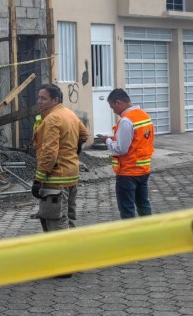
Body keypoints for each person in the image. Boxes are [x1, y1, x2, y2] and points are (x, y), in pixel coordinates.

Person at [31, 83, 89, 235]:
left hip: (55, 179)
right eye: (39, 98)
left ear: (55, 100)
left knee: (55, 222)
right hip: (71, 175)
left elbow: (49, 153)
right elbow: (84, 134)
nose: (39, 101)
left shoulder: (52, 119)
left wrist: (38, 179)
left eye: (44, 98)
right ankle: (72, 253)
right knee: (66, 219)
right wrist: (72, 152)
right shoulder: (69, 113)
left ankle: (65, 256)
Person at [98, 88, 154, 219]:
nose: (113, 111)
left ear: (118, 103)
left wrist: (108, 141)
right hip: (143, 170)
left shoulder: (126, 121)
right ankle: (150, 232)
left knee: (127, 210)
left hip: (128, 172)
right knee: (143, 205)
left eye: (112, 107)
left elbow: (121, 149)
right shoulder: (145, 116)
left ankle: (131, 237)